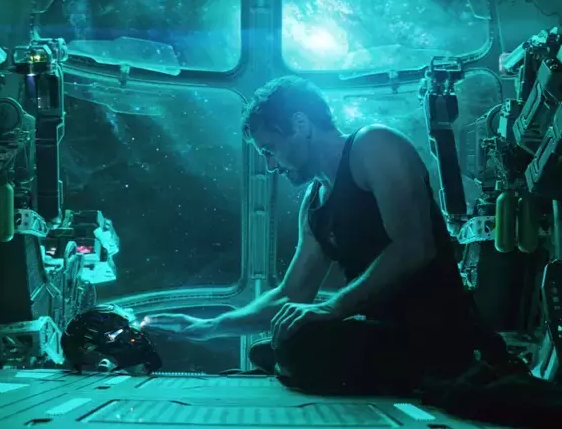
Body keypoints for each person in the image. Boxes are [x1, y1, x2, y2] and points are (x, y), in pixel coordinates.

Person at [145, 75, 482, 394]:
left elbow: (414, 247)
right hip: (385, 333)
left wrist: (333, 307)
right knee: (276, 344)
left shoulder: (373, 145)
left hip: (435, 332)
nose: (271, 166)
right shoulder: (315, 201)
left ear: (300, 124)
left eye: (270, 149)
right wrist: (210, 327)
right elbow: (290, 293)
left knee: (297, 347)